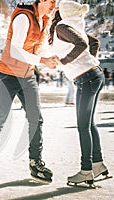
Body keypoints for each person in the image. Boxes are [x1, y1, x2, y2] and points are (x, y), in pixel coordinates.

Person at [0, 0, 58, 182]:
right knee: (0, 118)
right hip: (8, 75)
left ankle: (35, 163)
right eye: (52, 1)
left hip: (27, 74)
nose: (54, 5)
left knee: (36, 119)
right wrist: (42, 61)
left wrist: (52, 57)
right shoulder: (23, 17)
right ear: (41, 0)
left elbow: (41, 49)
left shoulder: (45, 19)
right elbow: (15, 51)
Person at [49, 1, 109, 185]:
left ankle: (86, 170)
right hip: (94, 75)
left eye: (57, 10)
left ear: (63, 12)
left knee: (83, 126)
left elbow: (82, 43)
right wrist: (89, 61)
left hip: (87, 78)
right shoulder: (75, 25)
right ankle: (98, 164)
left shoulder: (62, 26)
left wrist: (65, 61)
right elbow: (94, 42)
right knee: (89, 124)